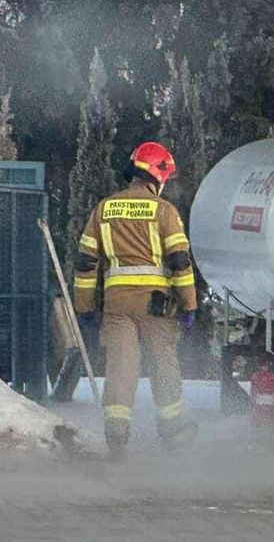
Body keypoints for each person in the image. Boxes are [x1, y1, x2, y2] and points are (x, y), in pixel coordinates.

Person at [73, 141, 199, 458]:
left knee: (121, 370)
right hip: (157, 309)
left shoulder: (104, 209)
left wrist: (84, 308)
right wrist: (189, 305)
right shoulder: (164, 211)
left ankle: (116, 440)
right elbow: (180, 262)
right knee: (163, 366)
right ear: (157, 174)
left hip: (117, 308)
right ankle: (174, 435)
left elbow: (86, 263)